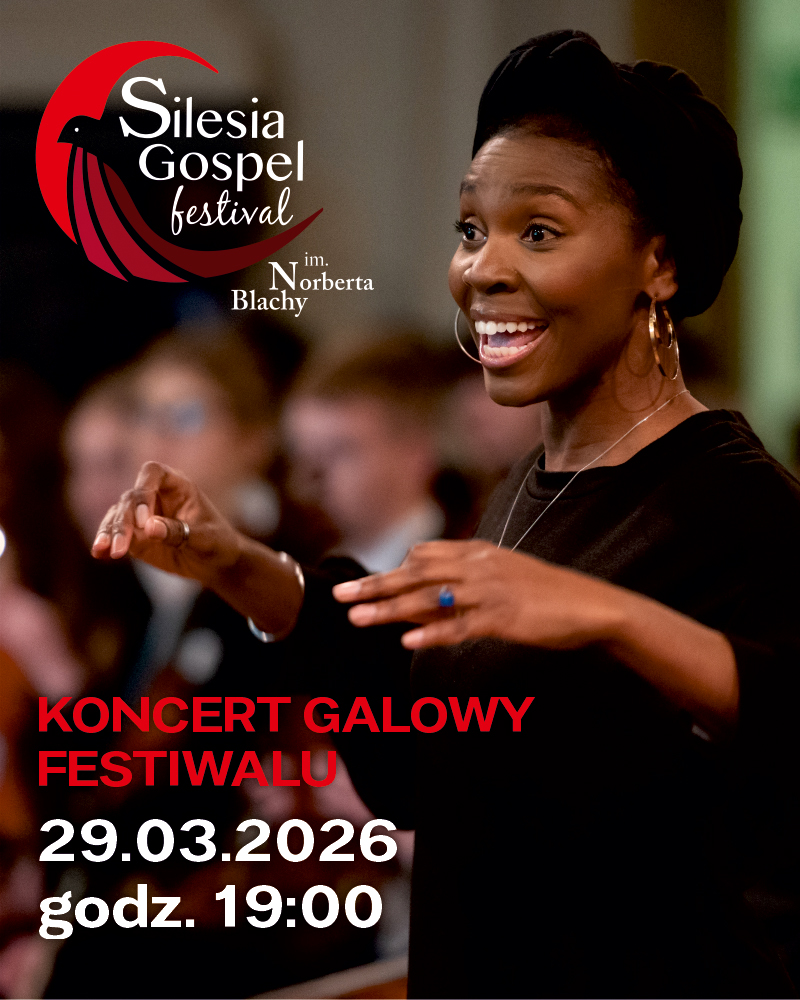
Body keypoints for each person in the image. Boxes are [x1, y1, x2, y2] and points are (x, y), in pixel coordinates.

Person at [93, 30, 800, 998]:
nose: (481, 271)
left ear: (660, 262)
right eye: (471, 230)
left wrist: (608, 615)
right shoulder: (526, 490)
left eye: (538, 232)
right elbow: (427, 765)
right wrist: (241, 567)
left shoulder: (734, 501)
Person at [283, 334, 471, 572]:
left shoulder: (462, 569)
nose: (306, 483)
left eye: (339, 451)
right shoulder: (301, 561)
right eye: (302, 456)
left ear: (415, 452)